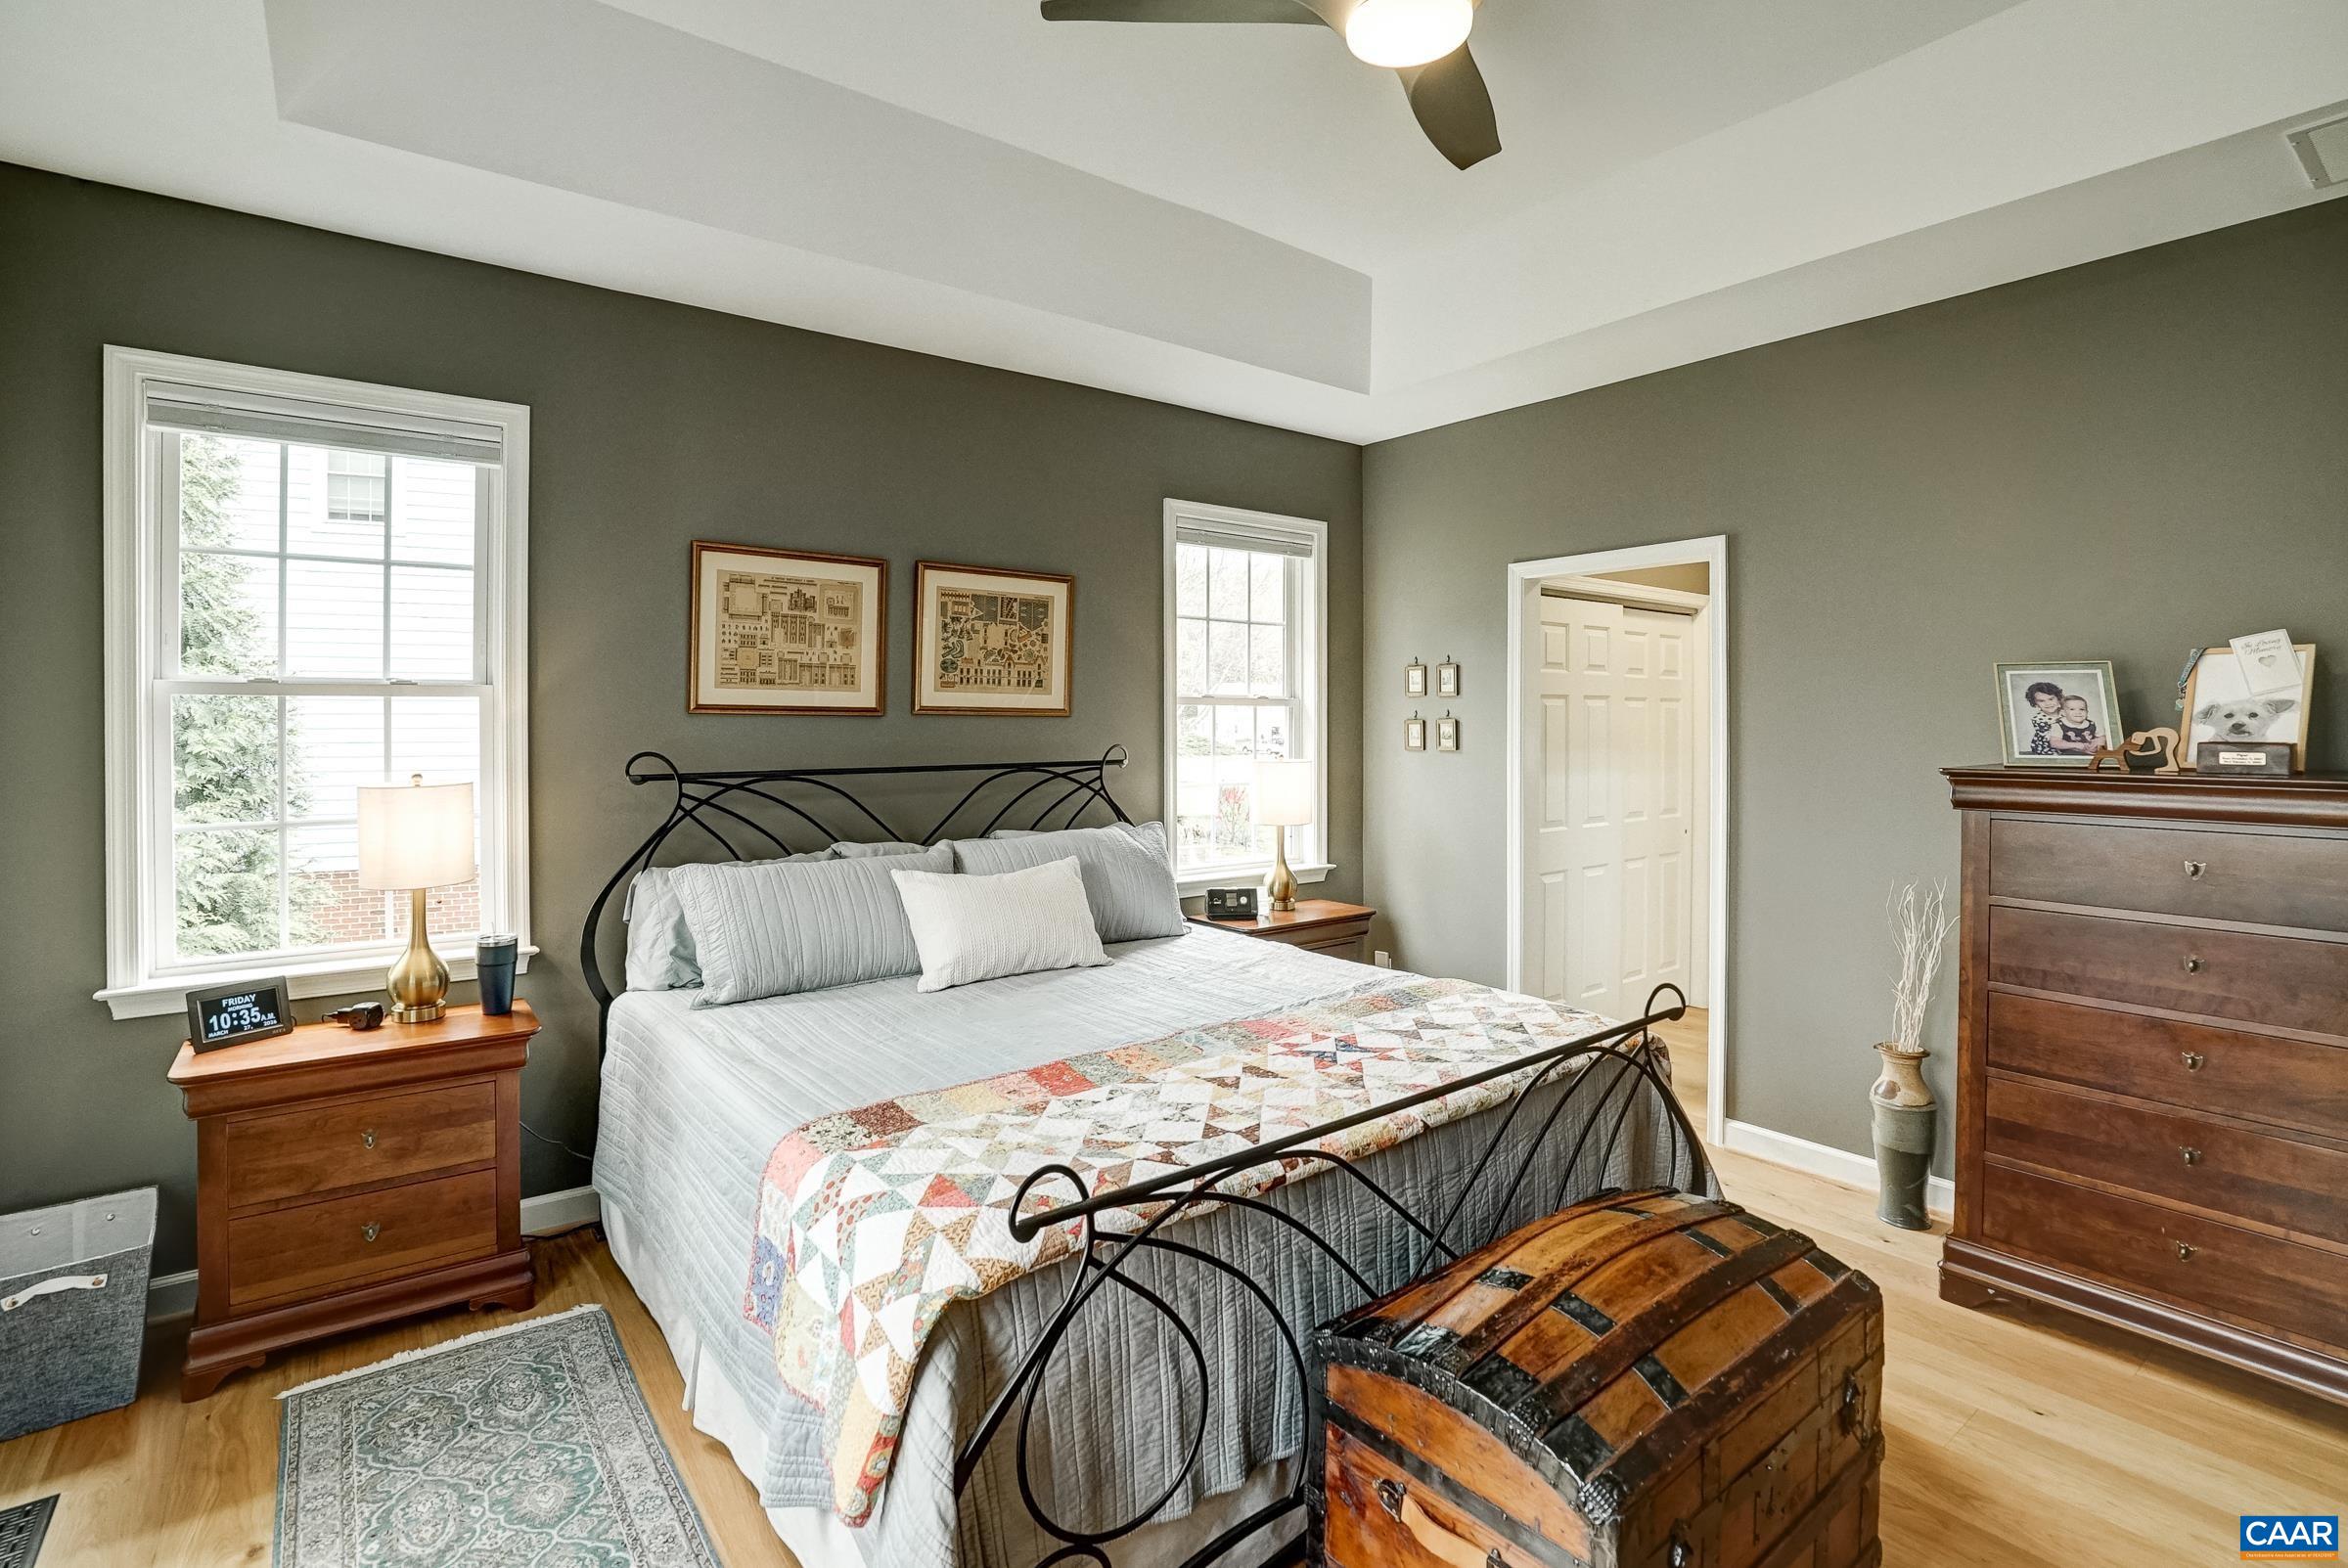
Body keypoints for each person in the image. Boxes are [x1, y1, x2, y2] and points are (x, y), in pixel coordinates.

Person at [2020, 680, 2063, 756]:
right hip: (2048, 747)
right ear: (2036, 704)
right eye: (2041, 701)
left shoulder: (2065, 712)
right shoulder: (2038, 719)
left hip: (2065, 743)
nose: (2048, 703)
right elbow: (2051, 739)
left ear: (2058, 699)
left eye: (2051, 699)